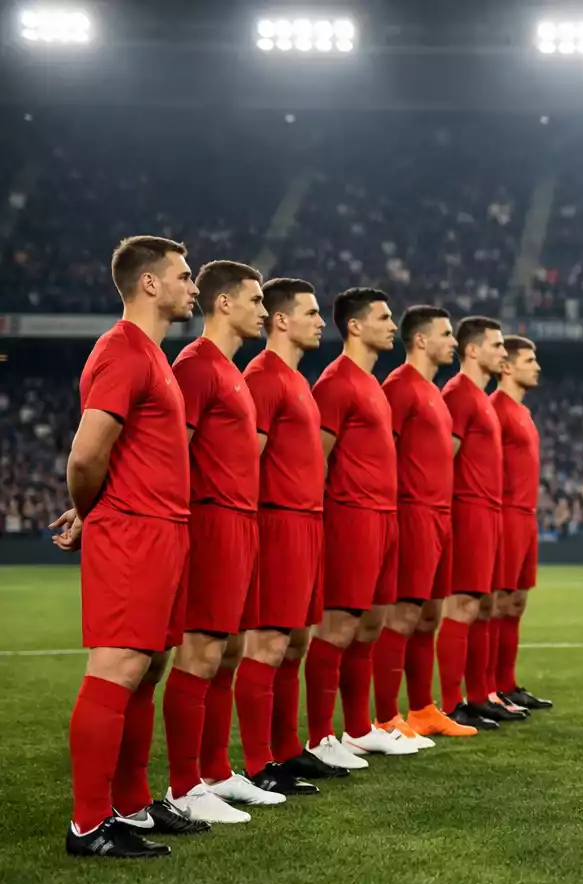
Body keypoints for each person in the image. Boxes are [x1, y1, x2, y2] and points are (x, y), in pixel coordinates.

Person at [59, 235, 202, 858]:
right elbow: (87, 454)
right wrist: (97, 514)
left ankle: (132, 808)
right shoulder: (122, 350)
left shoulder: (150, 355)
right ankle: (89, 825)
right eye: (185, 274)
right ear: (150, 283)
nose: (193, 286)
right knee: (117, 666)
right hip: (134, 530)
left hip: (161, 529)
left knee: (146, 670)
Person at [161, 261, 280, 824]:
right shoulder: (196, 366)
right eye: (256, 300)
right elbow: (170, 449)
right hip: (211, 521)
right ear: (225, 304)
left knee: (227, 650)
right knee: (200, 650)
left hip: (242, 521)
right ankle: (183, 787)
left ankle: (213, 771)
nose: (264, 310)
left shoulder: (230, 371)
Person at [304, 287, 415, 769]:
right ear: (355, 325)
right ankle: (318, 736)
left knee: (371, 623)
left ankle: (357, 729)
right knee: (339, 625)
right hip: (352, 516)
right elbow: (315, 459)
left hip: (384, 517)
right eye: (384, 318)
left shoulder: (372, 383)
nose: (393, 326)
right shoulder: (335, 382)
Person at [236, 277, 338, 792]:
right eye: (312, 312)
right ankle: (259, 764)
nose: (322, 322)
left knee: (294, 642)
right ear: (282, 319)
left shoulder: (298, 380)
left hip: (306, 521)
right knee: (269, 642)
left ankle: (285, 750)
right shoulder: (264, 377)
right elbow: (244, 459)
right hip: (277, 521)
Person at [380, 305, 474, 743]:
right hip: (413, 511)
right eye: (446, 333)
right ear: (420, 340)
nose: (453, 342)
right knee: (403, 615)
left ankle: (422, 709)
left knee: (429, 615)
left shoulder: (432, 391)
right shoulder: (400, 387)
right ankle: (383, 717)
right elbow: (384, 452)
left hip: (440, 514)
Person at [442, 316, 526, 727]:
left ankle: (479, 694)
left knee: (483, 604)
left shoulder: (478, 398)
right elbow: (445, 458)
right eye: (496, 345)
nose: (502, 353)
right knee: (463, 604)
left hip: (491, 510)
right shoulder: (460, 394)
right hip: (470, 509)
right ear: (472, 350)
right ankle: (452, 701)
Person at [490, 331, 552, 712]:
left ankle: (505, 684)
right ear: (507, 366)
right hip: (505, 514)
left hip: (525, 516)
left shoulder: (522, 412)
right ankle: (487, 691)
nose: (538, 367)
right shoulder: (495, 408)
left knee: (515, 603)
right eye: (530, 361)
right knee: (496, 603)